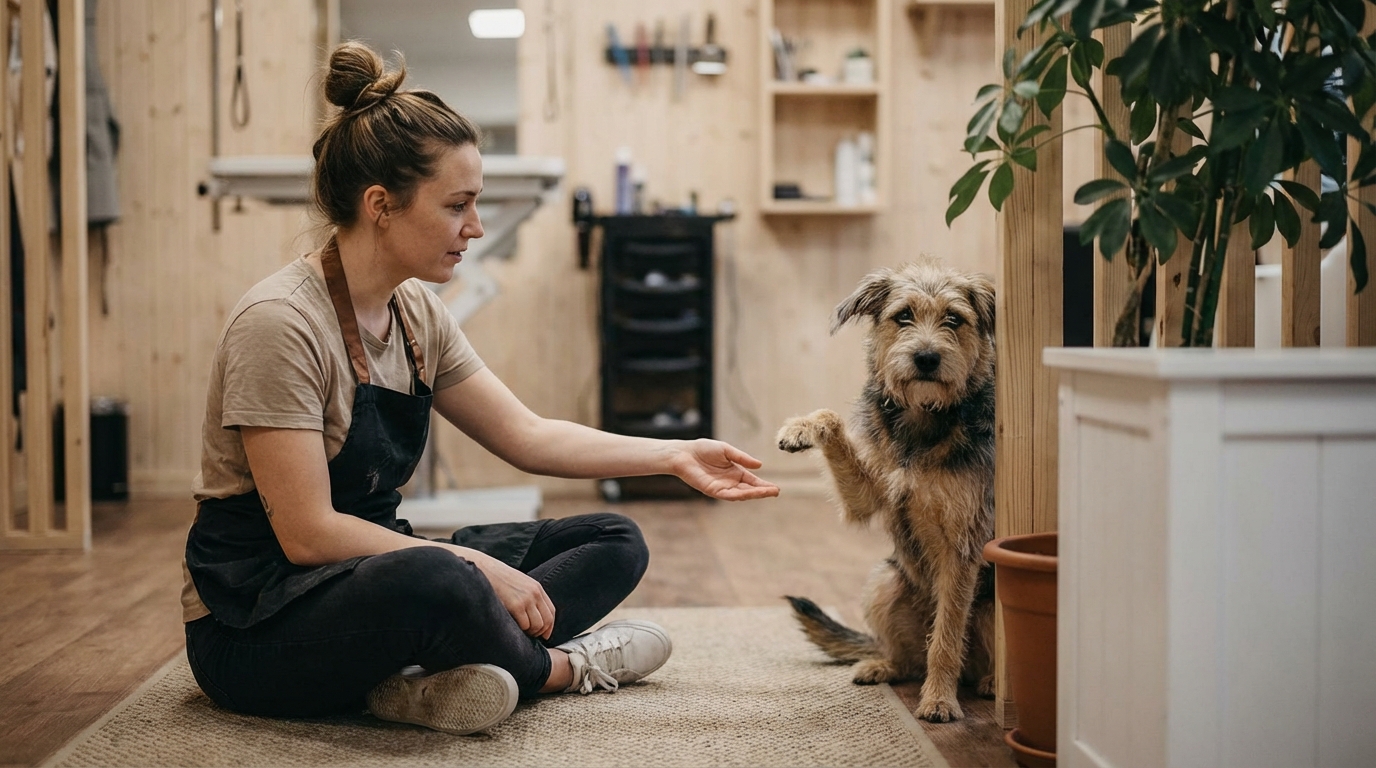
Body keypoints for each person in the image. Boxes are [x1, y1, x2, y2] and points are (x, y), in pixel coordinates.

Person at [181, 41, 780, 736]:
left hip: (371, 580)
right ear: (381, 205)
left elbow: (526, 437)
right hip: (255, 627)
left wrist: (671, 455)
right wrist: (470, 565)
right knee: (444, 579)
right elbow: (310, 534)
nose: (476, 226)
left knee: (613, 537)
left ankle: (418, 679)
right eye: (457, 205)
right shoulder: (280, 322)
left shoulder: (417, 315)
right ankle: (561, 669)